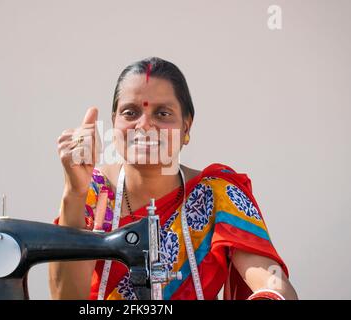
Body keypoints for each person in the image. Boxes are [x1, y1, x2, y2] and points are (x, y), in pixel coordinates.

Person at [48, 57, 298, 300]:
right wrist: (74, 192)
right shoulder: (94, 192)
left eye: (163, 114)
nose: (144, 125)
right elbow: (65, 297)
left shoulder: (217, 195)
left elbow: (275, 286)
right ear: (114, 123)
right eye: (130, 112)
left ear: (186, 128)